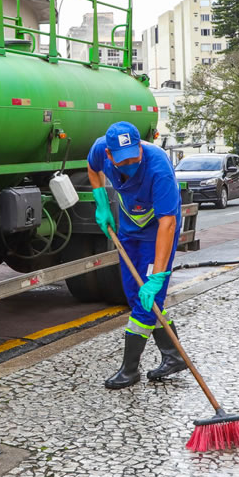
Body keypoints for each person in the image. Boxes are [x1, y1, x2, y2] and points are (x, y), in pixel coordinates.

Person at [87, 122, 185, 389]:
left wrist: (158, 275)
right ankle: (173, 356)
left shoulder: (158, 169)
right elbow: (92, 168)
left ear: (140, 147)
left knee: (147, 299)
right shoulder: (100, 151)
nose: (130, 163)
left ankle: (129, 371)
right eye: (123, 160)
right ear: (109, 155)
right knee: (134, 295)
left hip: (158, 233)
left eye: (134, 156)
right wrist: (102, 204)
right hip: (129, 230)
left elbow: (168, 223)